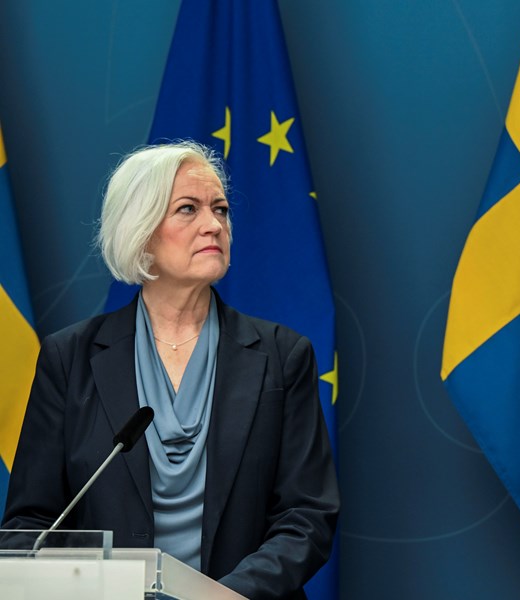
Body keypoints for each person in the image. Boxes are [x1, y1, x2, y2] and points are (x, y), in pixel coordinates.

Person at [2, 141, 339, 599]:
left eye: (220, 209)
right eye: (188, 209)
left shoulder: (283, 356)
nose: (213, 225)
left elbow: (307, 516)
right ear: (140, 232)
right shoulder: (71, 358)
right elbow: (30, 524)